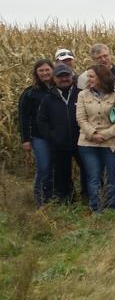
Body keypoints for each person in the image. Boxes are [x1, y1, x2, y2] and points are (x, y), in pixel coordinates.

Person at [76, 65, 115, 212]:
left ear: (101, 77)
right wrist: (93, 134)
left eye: (91, 76)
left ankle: (111, 208)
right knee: (93, 176)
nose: (88, 79)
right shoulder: (82, 95)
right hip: (87, 142)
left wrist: (105, 135)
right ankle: (96, 208)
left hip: (110, 142)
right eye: (88, 76)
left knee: (110, 176)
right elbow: (81, 119)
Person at [37, 64, 82, 203]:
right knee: (62, 175)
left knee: (88, 171)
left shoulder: (81, 94)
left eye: (66, 75)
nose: (64, 79)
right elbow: (42, 120)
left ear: (72, 76)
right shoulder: (48, 98)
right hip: (59, 143)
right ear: (54, 79)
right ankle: (67, 201)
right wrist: (52, 136)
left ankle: (88, 198)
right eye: (60, 76)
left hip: (81, 142)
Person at [19, 60, 54, 205]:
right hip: (39, 137)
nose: (45, 73)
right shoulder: (30, 93)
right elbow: (23, 117)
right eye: (41, 71)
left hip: (57, 136)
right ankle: (40, 200)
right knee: (44, 167)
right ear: (36, 73)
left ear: (52, 70)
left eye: (47, 70)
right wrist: (25, 139)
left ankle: (52, 198)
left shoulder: (58, 89)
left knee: (55, 168)